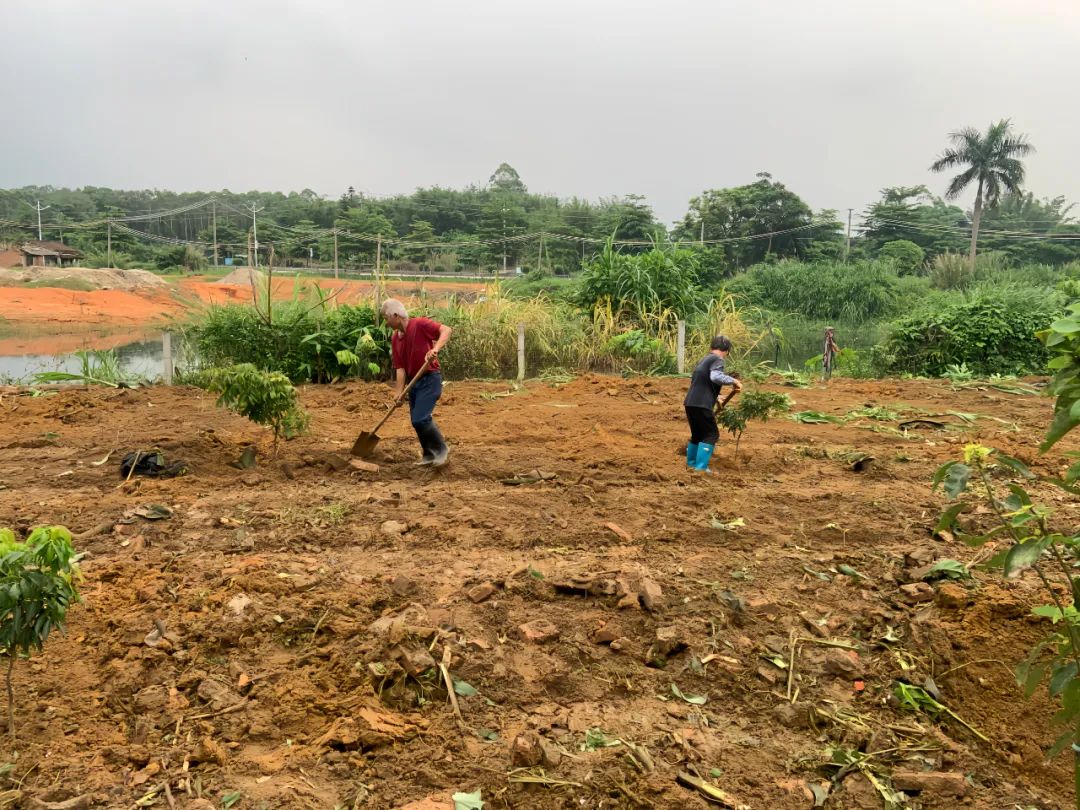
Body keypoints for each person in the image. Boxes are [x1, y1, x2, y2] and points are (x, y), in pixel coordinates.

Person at [380, 299, 453, 466]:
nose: (386, 322)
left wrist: (435, 349)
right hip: (414, 383)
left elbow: (446, 330)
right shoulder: (395, 338)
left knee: (421, 418)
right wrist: (399, 392)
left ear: (395, 316)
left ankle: (441, 450)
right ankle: (429, 455)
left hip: (429, 378)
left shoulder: (419, 324)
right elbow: (400, 368)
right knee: (416, 420)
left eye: (386, 318)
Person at [684, 335, 742, 473]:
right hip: (702, 404)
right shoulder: (718, 359)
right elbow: (715, 377)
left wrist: (717, 397)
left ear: (711, 347)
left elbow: (702, 383)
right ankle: (701, 468)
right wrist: (734, 381)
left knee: (697, 435)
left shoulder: (704, 360)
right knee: (711, 434)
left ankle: (691, 464)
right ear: (727, 350)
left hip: (690, 402)